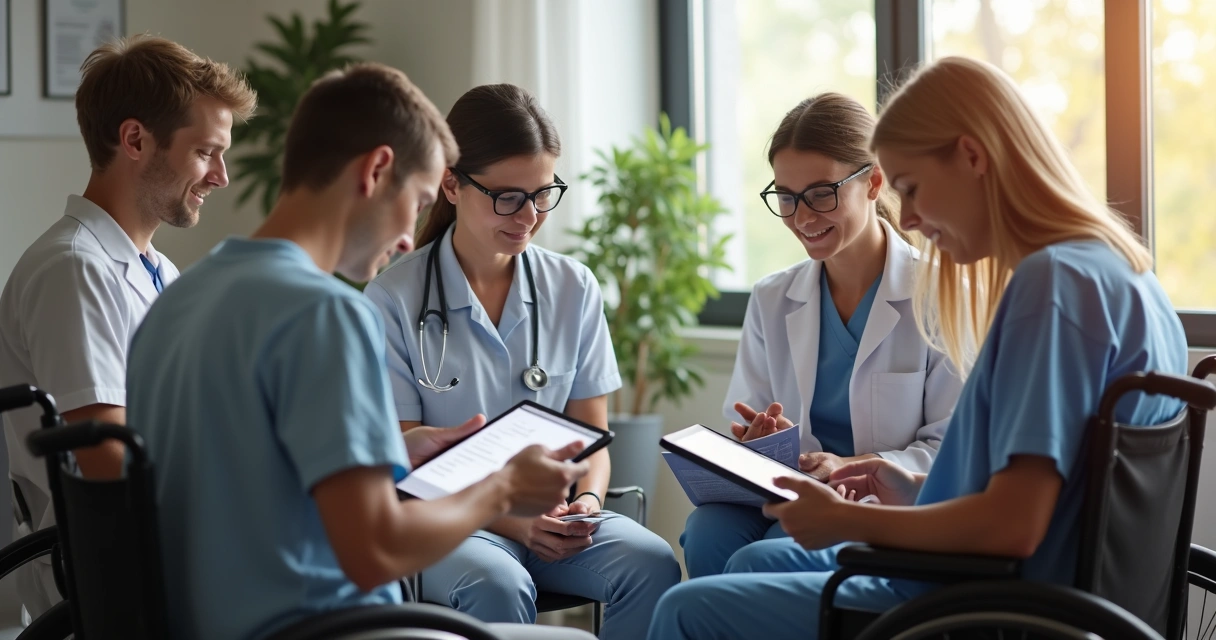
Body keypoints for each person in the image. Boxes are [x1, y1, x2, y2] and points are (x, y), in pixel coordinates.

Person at [647, 55, 1189, 640]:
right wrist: (902, 484)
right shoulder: (1123, 275)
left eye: (910, 188)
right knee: (725, 551)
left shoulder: (1052, 286)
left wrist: (846, 517)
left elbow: (1013, 525)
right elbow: (1019, 489)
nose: (907, 216)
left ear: (972, 158)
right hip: (1015, 583)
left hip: (980, 598)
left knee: (686, 608)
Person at [126, 63, 596, 640]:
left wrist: (398, 446)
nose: (408, 238)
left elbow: (242, 471)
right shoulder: (326, 312)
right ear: (376, 170)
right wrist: (500, 488)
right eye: (419, 201)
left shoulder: (178, 297)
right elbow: (375, 550)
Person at [364, 83, 680, 639]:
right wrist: (513, 518)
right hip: (450, 522)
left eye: (543, 193)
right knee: (497, 582)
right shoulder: (392, 298)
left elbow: (593, 438)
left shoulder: (572, 286)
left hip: (555, 520)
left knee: (650, 562)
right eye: (509, 196)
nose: (529, 216)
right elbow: (405, 461)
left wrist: (583, 505)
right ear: (452, 184)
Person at [0, 35, 255, 621]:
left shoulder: (154, 269)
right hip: (104, 566)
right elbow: (106, 461)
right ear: (135, 139)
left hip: (163, 539)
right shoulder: (74, 269)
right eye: (206, 153)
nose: (221, 176)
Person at [681, 93, 964, 579]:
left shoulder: (938, 294)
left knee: (757, 558)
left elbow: (949, 447)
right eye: (786, 197)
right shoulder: (773, 297)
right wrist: (758, 441)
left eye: (821, 193)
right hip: (787, 492)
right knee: (707, 531)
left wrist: (848, 464)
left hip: (878, 505)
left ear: (873, 182)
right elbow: (745, 416)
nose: (802, 217)